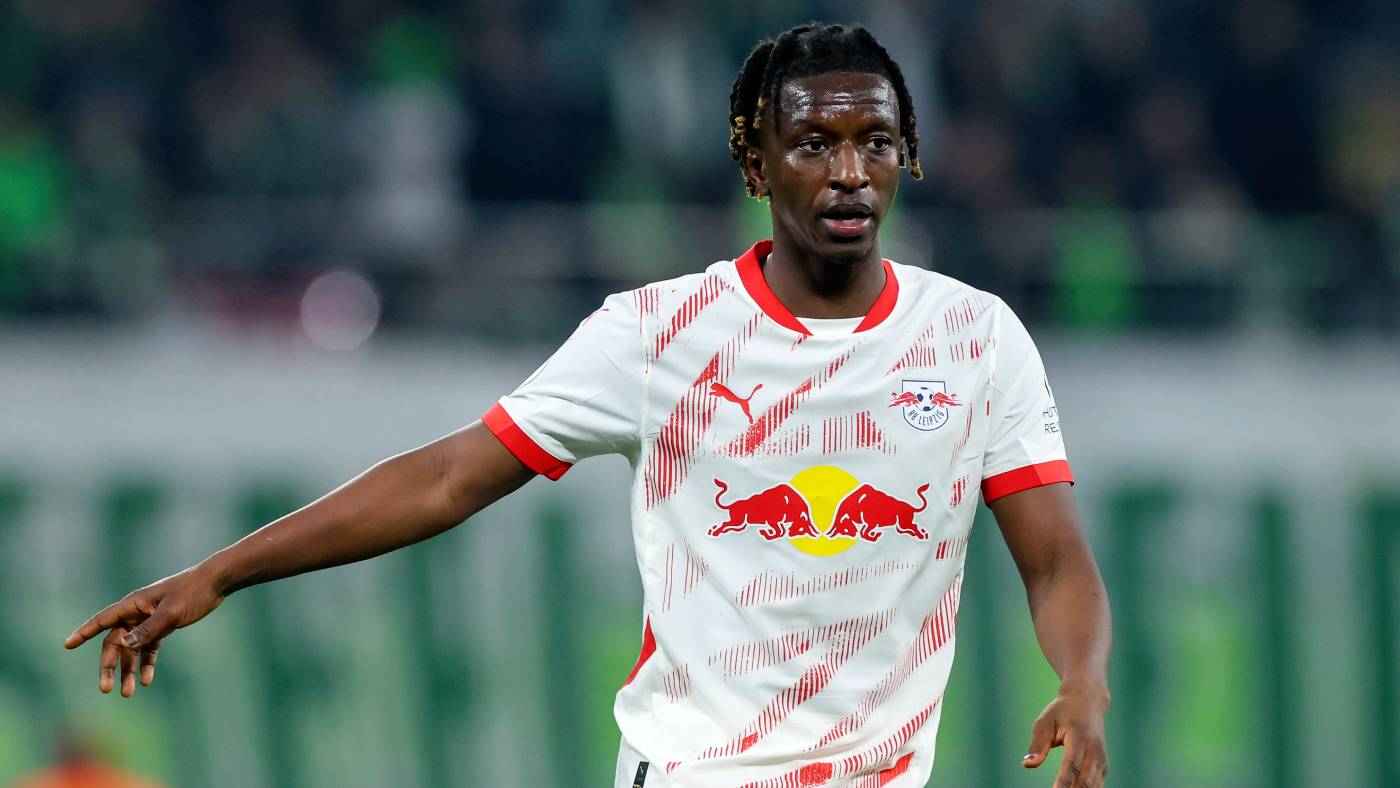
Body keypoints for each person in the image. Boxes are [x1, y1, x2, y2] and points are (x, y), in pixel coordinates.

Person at [65, 23, 1111, 788]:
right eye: (812, 144)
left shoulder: (973, 338)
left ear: (906, 154)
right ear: (755, 163)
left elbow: (1055, 559)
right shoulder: (656, 334)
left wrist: (1082, 683)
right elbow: (448, 477)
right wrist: (219, 572)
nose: (848, 172)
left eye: (874, 141)